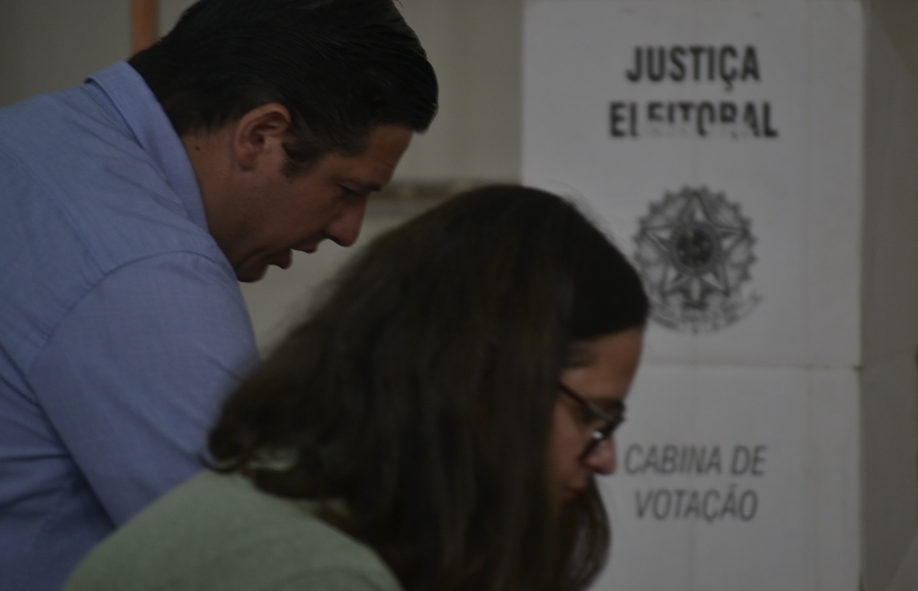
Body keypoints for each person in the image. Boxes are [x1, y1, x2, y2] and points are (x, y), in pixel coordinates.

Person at [0, 0, 438, 590]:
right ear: (261, 135)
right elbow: (268, 567)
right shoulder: (146, 269)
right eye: (347, 190)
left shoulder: (33, 140)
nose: (348, 232)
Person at [61, 185, 649, 591]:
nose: (606, 457)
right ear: (484, 382)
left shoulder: (326, 513)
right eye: (593, 416)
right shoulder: (311, 569)